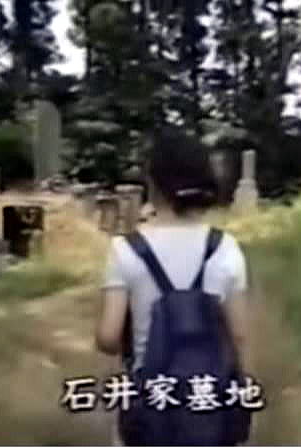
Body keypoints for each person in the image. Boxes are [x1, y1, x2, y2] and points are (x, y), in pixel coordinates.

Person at [96, 128, 250, 446]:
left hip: (149, 403)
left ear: (153, 184)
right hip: (207, 405)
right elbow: (239, 335)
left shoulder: (125, 249)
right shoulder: (225, 248)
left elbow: (109, 338)